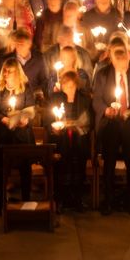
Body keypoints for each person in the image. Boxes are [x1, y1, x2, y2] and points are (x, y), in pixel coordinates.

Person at [92, 45, 130, 215]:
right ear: (113, 61)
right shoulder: (102, 74)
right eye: (121, 66)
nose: (125, 68)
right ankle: (108, 200)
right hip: (111, 123)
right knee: (109, 162)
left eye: (127, 65)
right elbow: (97, 100)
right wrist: (106, 110)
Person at [0, 57, 36, 215]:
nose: (7, 74)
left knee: (25, 167)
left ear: (17, 74)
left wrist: (24, 119)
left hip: (22, 135)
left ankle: (26, 199)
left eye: (10, 72)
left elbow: (30, 108)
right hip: (3, 134)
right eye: (5, 71)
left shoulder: (26, 88)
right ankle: (0, 201)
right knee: (0, 168)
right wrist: (5, 119)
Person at [46, 69, 92, 212]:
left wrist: (80, 124)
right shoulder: (55, 98)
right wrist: (54, 128)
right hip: (61, 140)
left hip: (79, 139)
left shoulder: (84, 99)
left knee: (78, 157)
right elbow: (48, 120)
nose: (68, 89)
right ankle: (60, 198)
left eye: (71, 86)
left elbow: (89, 120)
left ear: (76, 85)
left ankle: (77, 197)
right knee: (62, 158)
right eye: (66, 86)